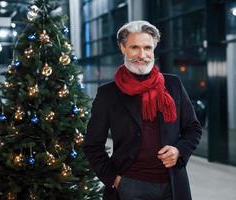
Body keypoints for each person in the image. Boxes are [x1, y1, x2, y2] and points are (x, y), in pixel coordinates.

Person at [83, 20, 202, 200]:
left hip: (173, 183)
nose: (142, 54)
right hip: (130, 185)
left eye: (147, 48)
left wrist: (179, 150)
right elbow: (92, 145)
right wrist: (114, 179)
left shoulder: (173, 84)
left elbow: (193, 128)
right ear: (123, 48)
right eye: (134, 47)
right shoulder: (108, 93)